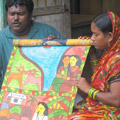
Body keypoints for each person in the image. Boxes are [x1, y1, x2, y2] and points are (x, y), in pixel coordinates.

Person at [0, 0, 64, 88]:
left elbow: (66, 60)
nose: (15, 18)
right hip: (11, 95)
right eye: (12, 14)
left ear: (30, 15)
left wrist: (55, 49)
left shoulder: (47, 32)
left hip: (45, 91)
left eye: (20, 14)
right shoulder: (1, 38)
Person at [70, 11, 120, 120]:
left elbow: (116, 100)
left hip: (112, 111)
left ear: (110, 36)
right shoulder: (110, 53)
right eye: (92, 34)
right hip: (101, 105)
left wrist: (88, 89)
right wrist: (92, 53)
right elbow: (102, 78)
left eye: (96, 34)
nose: (92, 38)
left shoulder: (117, 59)